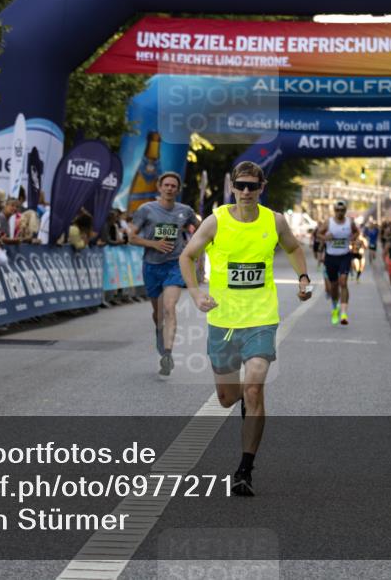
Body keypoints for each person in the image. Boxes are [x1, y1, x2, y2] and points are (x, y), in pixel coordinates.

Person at [178, 161, 312, 497]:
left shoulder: (274, 220)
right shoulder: (216, 221)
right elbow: (187, 256)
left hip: (260, 318)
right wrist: (195, 292)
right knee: (227, 398)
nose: (247, 192)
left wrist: (303, 277)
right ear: (233, 188)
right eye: (241, 186)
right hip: (222, 321)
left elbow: (294, 248)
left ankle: (244, 469)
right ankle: (241, 401)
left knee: (254, 387)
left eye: (253, 186)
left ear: (262, 187)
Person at [127, 172, 200, 377]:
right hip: (151, 266)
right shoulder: (146, 210)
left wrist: (192, 247)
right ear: (159, 187)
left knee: (169, 308)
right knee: (158, 314)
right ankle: (160, 332)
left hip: (174, 265)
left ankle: (167, 354)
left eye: (173, 186)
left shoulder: (185, 211)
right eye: (166, 185)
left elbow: (200, 229)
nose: (169, 188)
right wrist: (154, 244)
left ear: (177, 189)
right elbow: (131, 237)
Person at [314, 199, 353, 325]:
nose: (340, 212)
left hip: (345, 256)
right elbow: (318, 234)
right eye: (337, 210)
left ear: (345, 211)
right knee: (334, 286)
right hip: (331, 257)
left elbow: (357, 232)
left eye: (342, 210)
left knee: (343, 282)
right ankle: (335, 306)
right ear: (334, 210)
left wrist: (354, 238)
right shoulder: (329, 222)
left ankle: (344, 313)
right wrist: (325, 237)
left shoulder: (349, 222)